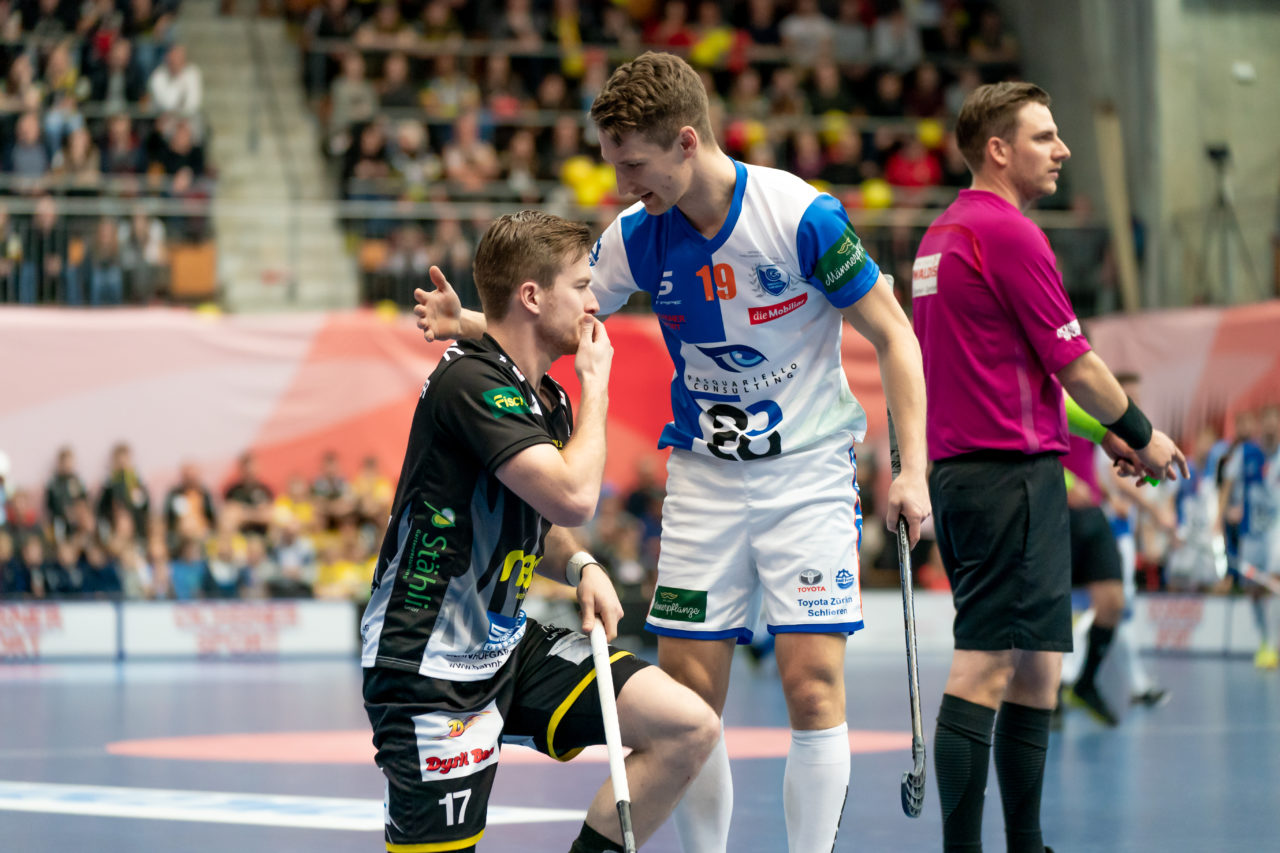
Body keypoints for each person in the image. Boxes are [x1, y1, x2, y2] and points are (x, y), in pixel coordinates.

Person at [412, 51, 930, 853]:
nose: (623, 185)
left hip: (808, 475)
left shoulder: (801, 218)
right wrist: (469, 326)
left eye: (634, 165)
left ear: (687, 142)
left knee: (812, 684)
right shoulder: (637, 237)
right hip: (705, 480)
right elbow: (558, 321)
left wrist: (913, 472)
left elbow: (894, 335)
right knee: (689, 699)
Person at [360, 209, 720, 853]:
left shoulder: (540, 396)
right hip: (429, 664)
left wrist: (581, 566)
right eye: (582, 287)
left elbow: (548, 520)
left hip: (507, 647)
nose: (594, 306)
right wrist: (599, 387)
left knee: (686, 726)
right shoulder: (471, 382)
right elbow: (575, 496)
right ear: (532, 296)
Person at [911, 82, 1186, 853]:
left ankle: (1026, 844)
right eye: (1045, 136)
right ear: (998, 149)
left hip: (977, 472)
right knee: (984, 667)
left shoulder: (942, 237)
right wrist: (1143, 431)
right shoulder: (1009, 234)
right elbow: (1079, 362)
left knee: (1036, 670)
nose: (1063, 149)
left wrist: (1103, 435)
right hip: (1008, 481)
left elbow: (1015, 376)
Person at [1221, 404, 1280, 668]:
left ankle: (1274, 643)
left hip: (1276, 529)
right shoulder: (1245, 454)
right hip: (1251, 531)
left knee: (1274, 580)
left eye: (1274, 420)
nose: (1269, 426)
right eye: (1265, 420)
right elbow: (1228, 486)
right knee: (1254, 588)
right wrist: (1220, 516)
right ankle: (1265, 641)